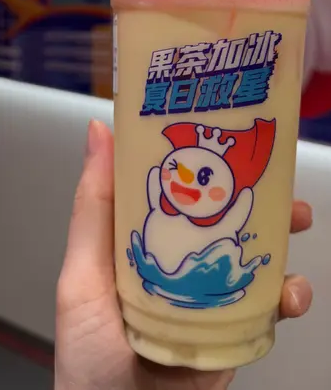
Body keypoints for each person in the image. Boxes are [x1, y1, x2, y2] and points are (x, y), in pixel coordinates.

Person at [55, 120, 314, 390]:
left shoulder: (222, 226)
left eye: (202, 178)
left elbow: (236, 215)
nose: (186, 181)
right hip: (145, 309)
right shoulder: (162, 202)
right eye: (178, 170)